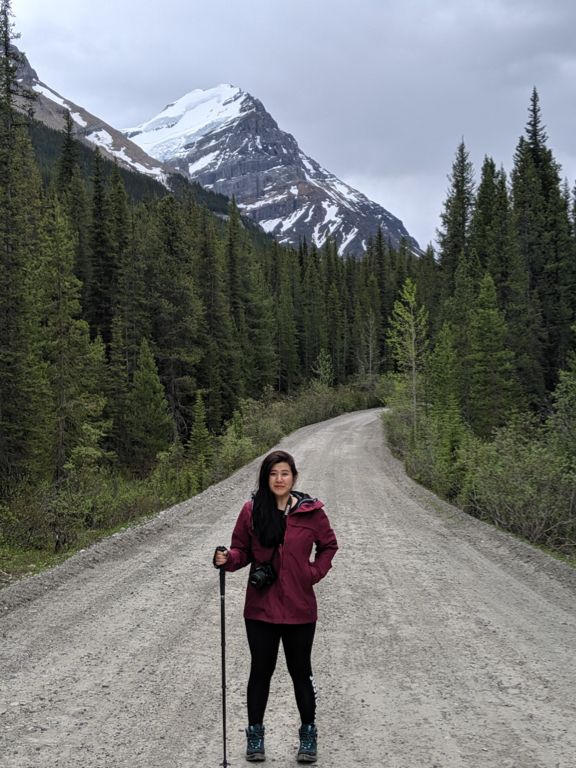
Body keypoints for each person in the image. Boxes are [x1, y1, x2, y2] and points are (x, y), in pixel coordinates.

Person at [213, 449, 338, 763]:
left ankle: (308, 734)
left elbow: (329, 546)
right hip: (261, 609)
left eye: (284, 473)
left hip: (300, 608)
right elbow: (241, 551)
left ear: (293, 476)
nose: (279, 479)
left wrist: (312, 573)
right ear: (265, 478)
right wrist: (228, 560)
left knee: (300, 672)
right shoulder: (251, 510)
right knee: (261, 671)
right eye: (273, 473)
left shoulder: (312, 513)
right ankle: (255, 733)